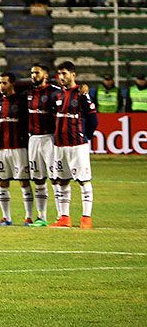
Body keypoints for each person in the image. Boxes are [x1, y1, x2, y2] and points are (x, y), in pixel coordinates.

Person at [50, 61, 97, 229]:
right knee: (61, 181)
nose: (61, 77)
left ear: (73, 75)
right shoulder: (57, 95)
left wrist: (85, 136)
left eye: (65, 74)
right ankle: (64, 218)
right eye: (59, 74)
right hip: (60, 146)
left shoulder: (81, 94)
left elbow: (93, 120)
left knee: (83, 181)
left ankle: (86, 218)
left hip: (77, 145)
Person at [0, 71, 34, 226]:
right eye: (0, 83)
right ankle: (6, 217)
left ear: (12, 84)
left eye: (5, 83)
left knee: (24, 182)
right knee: (2, 182)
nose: (1, 86)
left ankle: (29, 217)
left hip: (19, 147)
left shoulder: (22, 100)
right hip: (2, 148)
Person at [25, 63, 60, 226]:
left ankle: (62, 216)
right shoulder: (29, 93)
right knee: (38, 179)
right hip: (33, 139)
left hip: (49, 139)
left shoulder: (54, 92)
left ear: (45, 75)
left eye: (37, 72)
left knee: (55, 178)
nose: (33, 75)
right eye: (32, 73)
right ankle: (42, 217)